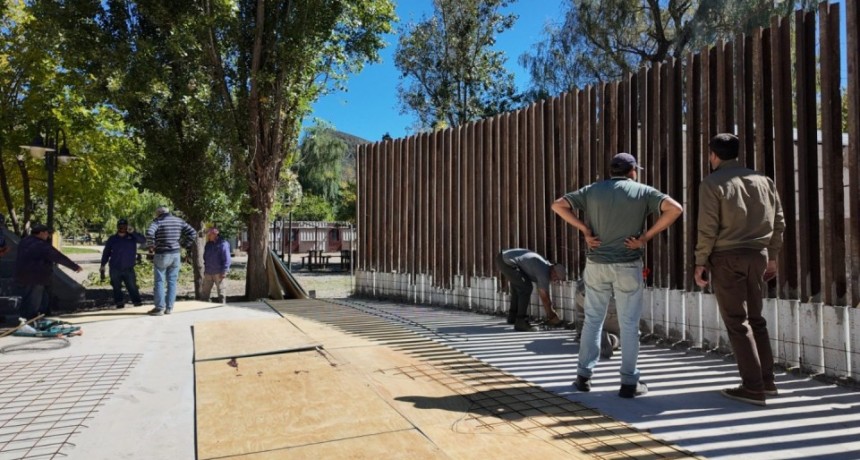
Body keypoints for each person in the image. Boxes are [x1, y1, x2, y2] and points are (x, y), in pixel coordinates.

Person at [551, 152, 683, 398]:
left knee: (592, 321)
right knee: (629, 325)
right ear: (633, 170)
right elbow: (675, 209)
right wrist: (645, 238)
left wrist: (585, 230)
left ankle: (583, 377)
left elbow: (557, 204)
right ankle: (629, 383)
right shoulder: (644, 191)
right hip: (628, 264)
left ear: (612, 171)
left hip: (596, 263)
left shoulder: (592, 190)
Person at [694, 133, 785, 407]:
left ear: (713, 155)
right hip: (758, 255)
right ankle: (767, 381)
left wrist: (700, 261)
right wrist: (773, 257)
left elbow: (708, 226)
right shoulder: (764, 180)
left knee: (737, 321)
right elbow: (778, 221)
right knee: (756, 319)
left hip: (726, 258)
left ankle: (752, 387)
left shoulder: (711, 183)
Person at [14, 224, 83, 319]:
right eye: (47, 233)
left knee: (34, 298)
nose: (48, 236)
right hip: (36, 276)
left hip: (24, 275)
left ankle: (32, 317)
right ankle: (30, 320)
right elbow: (57, 256)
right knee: (34, 300)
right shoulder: (41, 245)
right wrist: (74, 267)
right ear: (41, 233)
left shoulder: (24, 241)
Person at [496, 248, 565, 332]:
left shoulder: (546, 265)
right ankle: (521, 322)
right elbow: (545, 298)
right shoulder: (544, 272)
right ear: (553, 271)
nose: (555, 280)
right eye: (556, 277)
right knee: (526, 288)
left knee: (518, 286)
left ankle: (513, 317)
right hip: (506, 261)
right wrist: (552, 316)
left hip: (503, 257)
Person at [145, 206, 196, 316]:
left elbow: (149, 232)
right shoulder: (179, 221)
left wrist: (151, 246)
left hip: (162, 254)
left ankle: (159, 309)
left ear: (159, 213)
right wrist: (183, 245)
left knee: (159, 281)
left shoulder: (158, 221)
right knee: (172, 282)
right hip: (176, 254)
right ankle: (169, 308)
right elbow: (193, 233)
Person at [100, 218, 145, 308]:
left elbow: (143, 240)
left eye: (124, 226)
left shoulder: (132, 237)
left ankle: (137, 302)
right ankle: (119, 303)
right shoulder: (112, 239)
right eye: (120, 226)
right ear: (117, 227)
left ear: (127, 227)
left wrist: (133, 232)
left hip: (128, 267)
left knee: (132, 286)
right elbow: (106, 252)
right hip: (115, 267)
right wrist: (102, 265)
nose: (122, 228)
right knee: (116, 287)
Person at [201, 227, 231, 304]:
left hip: (219, 272)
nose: (208, 236)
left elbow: (227, 258)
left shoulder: (223, 244)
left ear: (215, 234)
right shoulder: (208, 244)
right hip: (208, 272)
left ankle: (222, 309)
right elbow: (205, 257)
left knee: (221, 293)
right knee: (204, 293)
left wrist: (224, 271)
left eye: (209, 235)